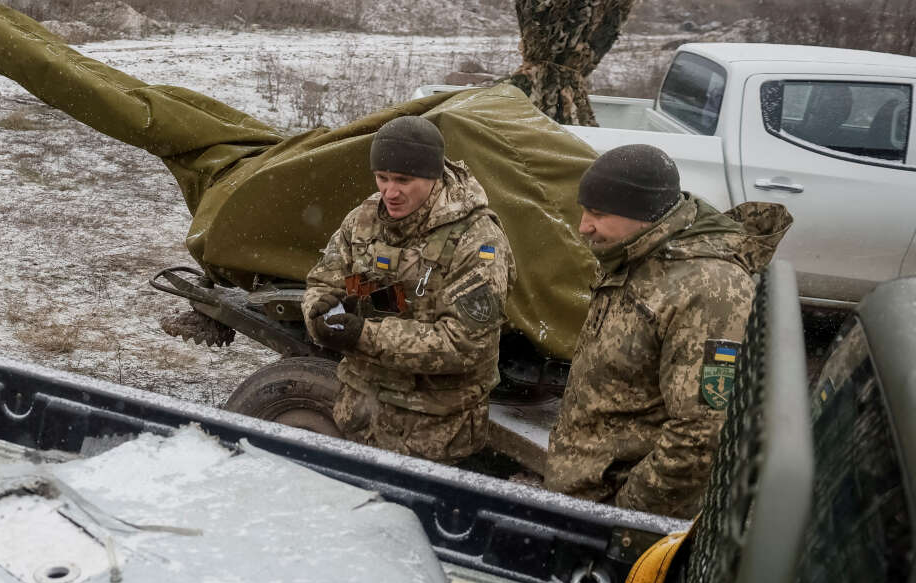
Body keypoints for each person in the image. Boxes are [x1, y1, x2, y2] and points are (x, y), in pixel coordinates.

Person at [544, 144, 790, 518]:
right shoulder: (635, 253)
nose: (583, 226)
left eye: (597, 213)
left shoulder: (711, 292)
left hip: (617, 514)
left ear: (644, 213)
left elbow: (701, 437)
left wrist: (627, 515)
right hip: (582, 492)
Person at [302, 116, 514, 463]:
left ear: (433, 177)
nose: (390, 192)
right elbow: (322, 281)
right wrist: (320, 317)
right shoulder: (362, 220)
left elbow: (465, 344)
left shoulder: (477, 240)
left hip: (433, 435)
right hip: (359, 414)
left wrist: (362, 335)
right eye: (382, 178)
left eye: (403, 180)